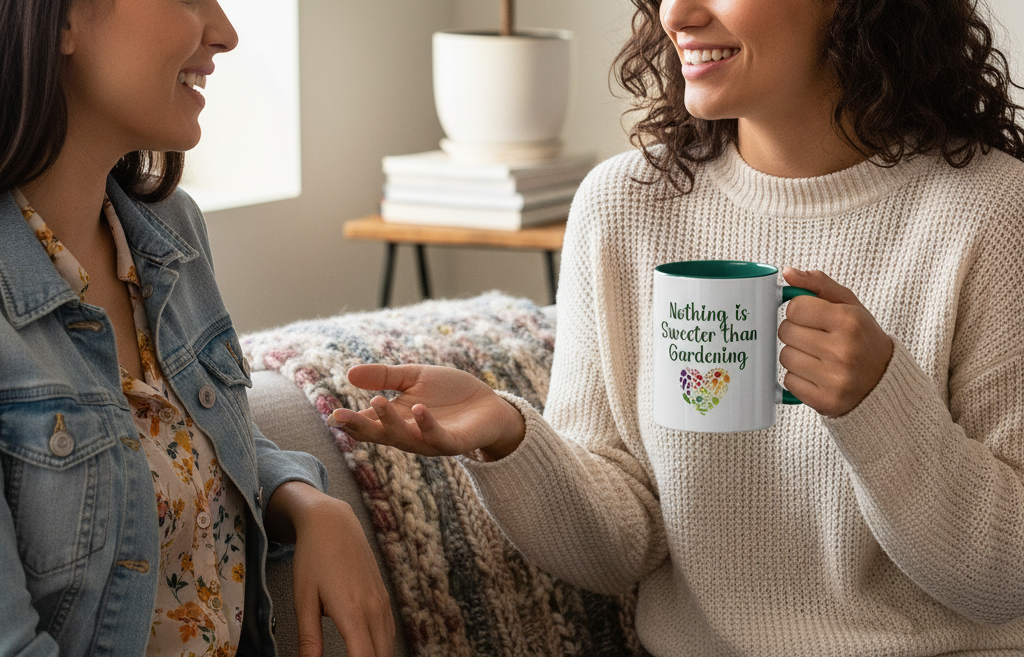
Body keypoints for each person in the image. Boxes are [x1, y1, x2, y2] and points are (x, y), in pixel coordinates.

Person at [329, 0, 1024, 654]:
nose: (677, 14)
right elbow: (618, 550)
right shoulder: (622, 207)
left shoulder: (996, 212)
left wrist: (880, 402)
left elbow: (1003, 577)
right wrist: (512, 439)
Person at [0, 0, 393, 655]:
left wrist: (310, 502)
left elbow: (193, 436)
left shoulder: (170, 231)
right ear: (60, 20)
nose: (227, 33)